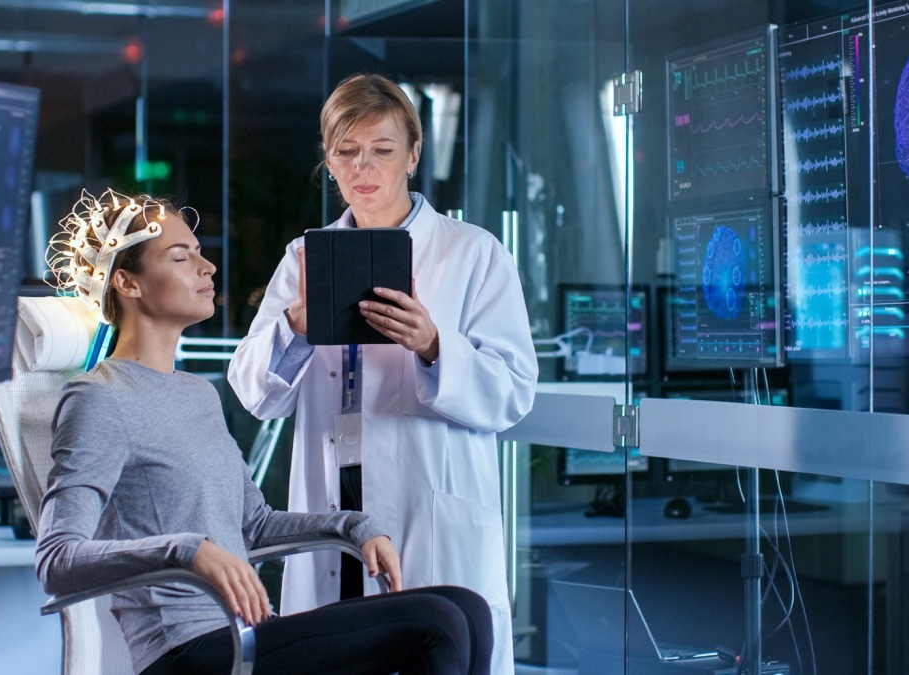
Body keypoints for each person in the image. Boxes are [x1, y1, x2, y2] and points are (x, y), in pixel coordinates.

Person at [36, 188, 494, 675]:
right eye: (180, 256)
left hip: (248, 631)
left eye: (199, 252)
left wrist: (354, 526)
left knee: (468, 608)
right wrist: (189, 551)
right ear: (127, 282)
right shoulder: (99, 398)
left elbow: (255, 525)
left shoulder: (197, 393)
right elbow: (58, 559)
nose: (207, 267)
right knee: (437, 621)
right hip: (190, 650)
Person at [228, 73, 538, 673]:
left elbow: (514, 393)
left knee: (436, 649)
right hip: (334, 507)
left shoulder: (473, 253)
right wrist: (295, 321)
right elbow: (253, 391)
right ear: (329, 160)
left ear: (414, 154)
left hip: (430, 509)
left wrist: (432, 346)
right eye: (346, 151)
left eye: (382, 149)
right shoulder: (301, 259)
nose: (363, 167)